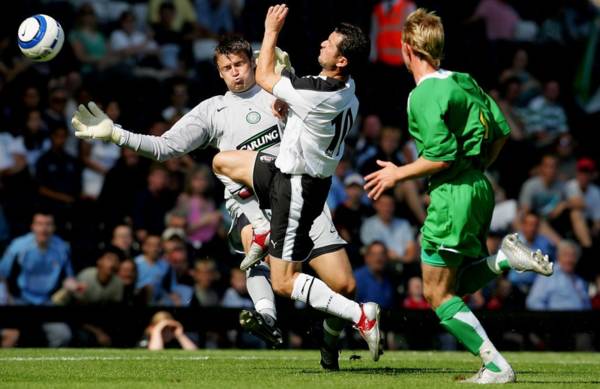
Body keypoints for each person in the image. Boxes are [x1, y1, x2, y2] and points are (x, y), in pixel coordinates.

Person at [70, 27, 373, 368]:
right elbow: (165, 147)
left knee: (344, 284)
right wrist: (115, 134)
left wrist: (285, 75)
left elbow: (318, 98)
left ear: (252, 62)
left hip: (300, 195)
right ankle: (267, 317)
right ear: (218, 72)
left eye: (240, 64)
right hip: (252, 203)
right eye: (226, 68)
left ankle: (328, 342)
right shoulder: (212, 111)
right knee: (252, 240)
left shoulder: (279, 89)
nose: (235, 73)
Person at [363, 8, 554, 383]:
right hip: (478, 188)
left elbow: (440, 155)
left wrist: (397, 173)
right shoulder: (464, 81)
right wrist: (476, 168)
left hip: (452, 195)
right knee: (449, 285)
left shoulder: (422, 95)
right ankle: (502, 260)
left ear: (406, 50)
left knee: (435, 295)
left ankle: (496, 365)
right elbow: (500, 131)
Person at [210, 4, 382, 363]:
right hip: (293, 177)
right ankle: (261, 230)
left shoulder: (316, 92)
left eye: (331, 44)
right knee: (222, 161)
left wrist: (270, 31)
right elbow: (304, 102)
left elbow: (265, 75)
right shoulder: (348, 88)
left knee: (285, 283)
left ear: (342, 61)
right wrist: (290, 107)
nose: (323, 43)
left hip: (296, 187)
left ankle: (360, 315)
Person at [0, 212, 75, 347]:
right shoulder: (18, 246)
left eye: (48, 224)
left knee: (63, 335)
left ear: (54, 228)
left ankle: (50, 367)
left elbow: (68, 278)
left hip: (47, 302)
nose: (44, 229)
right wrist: (7, 298)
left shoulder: (62, 248)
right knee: (10, 335)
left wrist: (73, 286)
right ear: (32, 227)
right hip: (19, 301)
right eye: (40, 224)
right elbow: (2, 275)